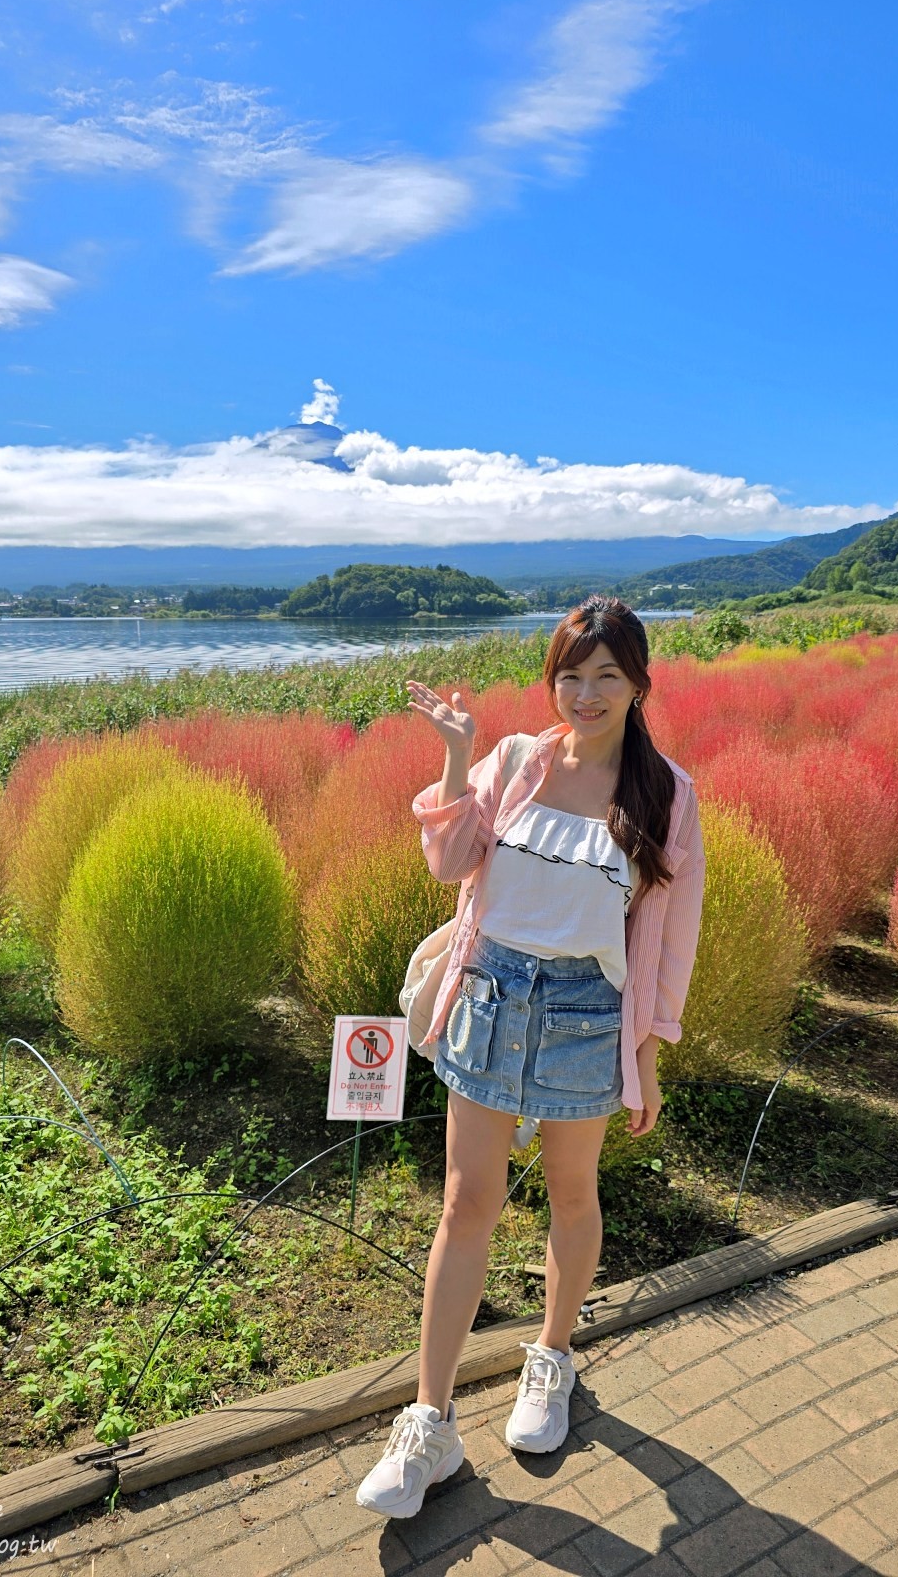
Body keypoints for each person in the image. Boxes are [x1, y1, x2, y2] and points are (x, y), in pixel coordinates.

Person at [355, 596, 706, 1520]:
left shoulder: (665, 793)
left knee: (571, 1191)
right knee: (465, 1202)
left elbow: (672, 942)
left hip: (589, 1015)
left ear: (638, 684)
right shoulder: (515, 759)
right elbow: (448, 864)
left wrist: (651, 1050)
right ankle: (429, 1426)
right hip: (490, 996)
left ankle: (550, 1359)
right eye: (569, 674)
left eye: (606, 677)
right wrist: (456, 754)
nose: (584, 694)